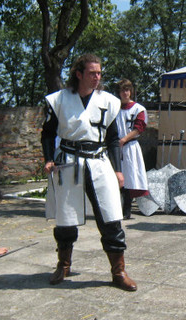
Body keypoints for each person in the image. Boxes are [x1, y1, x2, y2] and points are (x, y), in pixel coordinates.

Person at [41, 54, 137, 291]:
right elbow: (47, 133)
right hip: (68, 161)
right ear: (79, 74)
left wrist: (117, 170)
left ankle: (118, 271)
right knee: (65, 218)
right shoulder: (60, 100)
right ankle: (63, 264)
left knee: (110, 216)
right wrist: (48, 159)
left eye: (99, 73)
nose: (98, 77)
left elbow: (113, 139)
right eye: (92, 73)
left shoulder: (109, 101)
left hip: (98, 160)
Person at [115, 78, 150, 219]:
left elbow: (139, 128)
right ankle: (116, 208)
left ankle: (127, 210)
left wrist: (124, 139)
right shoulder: (114, 108)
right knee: (115, 179)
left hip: (130, 148)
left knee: (129, 178)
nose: (125, 93)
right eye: (123, 90)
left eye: (128, 90)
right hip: (116, 147)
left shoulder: (138, 109)